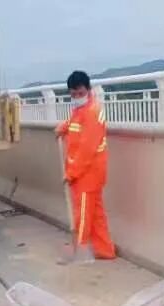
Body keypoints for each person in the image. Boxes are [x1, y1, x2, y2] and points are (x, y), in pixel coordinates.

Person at [55, 70, 116, 262]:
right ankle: (105, 250)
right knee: (96, 214)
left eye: (80, 93)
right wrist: (63, 127)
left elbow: (86, 150)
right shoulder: (82, 109)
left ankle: (81, 252)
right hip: (89, 172)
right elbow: (75, 123)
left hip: (87, 173)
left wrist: (71, 173)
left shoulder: (91, 112)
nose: (77, 97)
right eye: (73, 94)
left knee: (82, 215)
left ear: (88, 90)